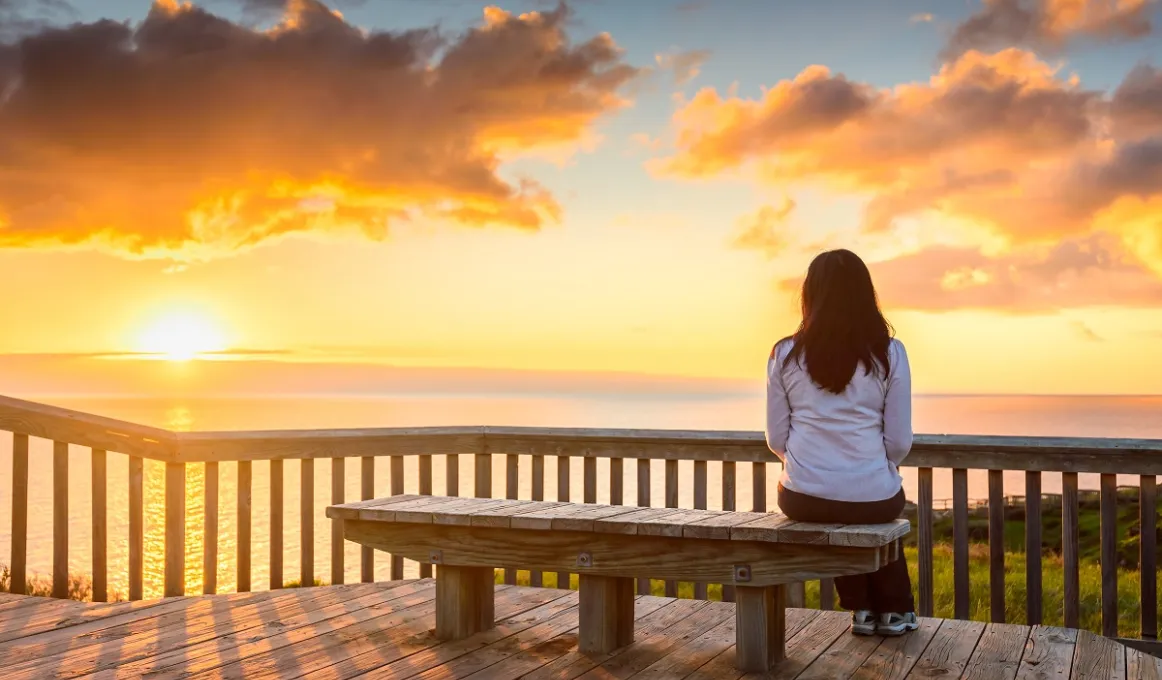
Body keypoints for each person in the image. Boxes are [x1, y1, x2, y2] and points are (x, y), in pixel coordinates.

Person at [764, 248, 917, 637]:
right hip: (875, 495)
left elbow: (776, 437)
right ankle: (894, 611)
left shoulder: (784, 354)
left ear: (810, 295)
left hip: (803, 496)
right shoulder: (890, 354)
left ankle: (862, 609)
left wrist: (808, 467)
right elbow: (898, 440)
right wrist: (875, 469)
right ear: (866, 294)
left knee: (836, 510)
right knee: (873, 508)